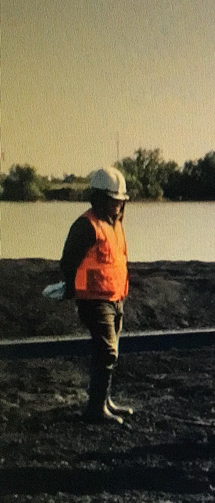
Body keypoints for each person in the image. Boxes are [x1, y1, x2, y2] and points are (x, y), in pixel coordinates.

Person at [60, 166, 133, 424]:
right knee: (106, 352)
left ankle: (105, 401)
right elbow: (68, 261)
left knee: (111, 352)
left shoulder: (115, 224)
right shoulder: (86, 226)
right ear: (99, 198)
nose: (118, 205)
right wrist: (71, 288)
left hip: (115, 297)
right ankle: (96, 409)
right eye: (113, 200)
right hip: (94, 300)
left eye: (120, 201)